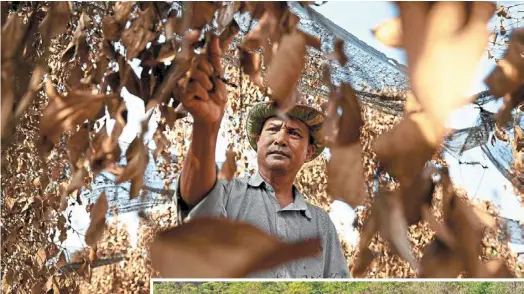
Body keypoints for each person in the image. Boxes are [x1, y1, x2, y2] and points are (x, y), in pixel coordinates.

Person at [175, 32, 349, 278]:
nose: (280, 138)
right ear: (258, 142)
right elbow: (197, 210)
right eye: (273, 129)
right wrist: (206, 127)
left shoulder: (321, 226)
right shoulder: (227, 193)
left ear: (309, 151)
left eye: (294, 133)